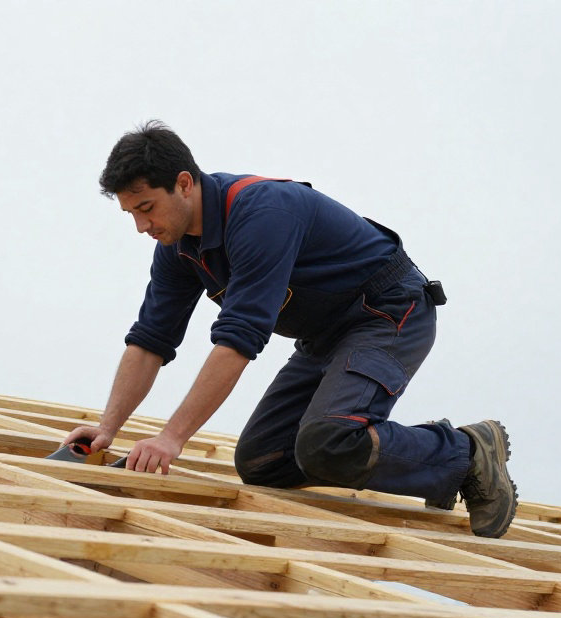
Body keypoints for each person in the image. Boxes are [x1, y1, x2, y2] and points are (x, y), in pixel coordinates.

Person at [62, 121, 517, 538]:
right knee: (263, 461)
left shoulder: (261, 214)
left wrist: (171, 438)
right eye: (132, 215)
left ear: (184, 183)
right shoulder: (177, 248)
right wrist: (107, 428)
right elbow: (149, 341)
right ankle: (438, 467)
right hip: (326, 335)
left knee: (328, 440)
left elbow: (239, 338)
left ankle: (466, 451)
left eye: (147, 208)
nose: (142, 227)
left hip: (386, 311)